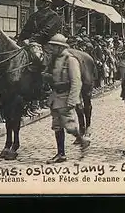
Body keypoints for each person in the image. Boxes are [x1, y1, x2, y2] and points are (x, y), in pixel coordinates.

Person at [45, 34, 87, 164]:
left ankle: (82, 140)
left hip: (65, 96)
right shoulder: (55, 59)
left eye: (53, 47)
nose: (51, 49)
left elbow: (76, 81)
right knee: (57, 126)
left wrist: (72, 100)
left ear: (60, 47)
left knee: (69, 126)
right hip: (56, 96)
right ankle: (61, 154)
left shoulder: (70, 60)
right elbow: (54, 76)